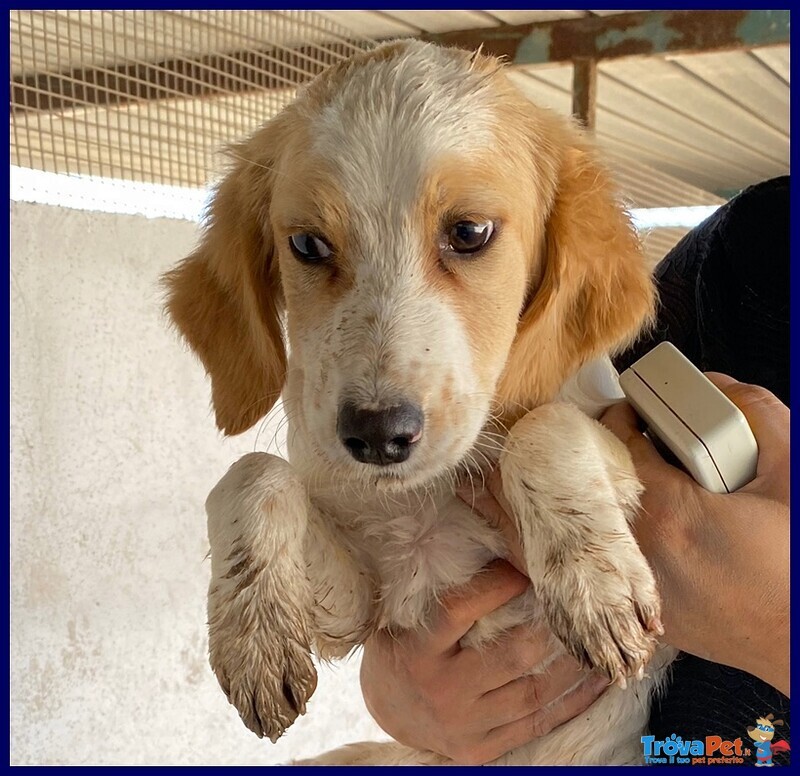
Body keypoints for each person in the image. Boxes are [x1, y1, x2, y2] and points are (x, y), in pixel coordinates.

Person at [359, 177, 790, 765]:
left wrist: (775, 621)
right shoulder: (762, 248)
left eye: (467, 235)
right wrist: (399, 685)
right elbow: (566, 430)